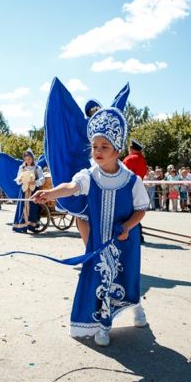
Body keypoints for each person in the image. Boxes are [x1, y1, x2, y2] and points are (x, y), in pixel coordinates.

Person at [33, 100, 149, 347]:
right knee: (101, 281)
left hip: (124, 241)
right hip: (98, 242)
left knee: (127, 277)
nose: (98, 151)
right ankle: (103, 325)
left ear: (117, 150)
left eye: (104, 146)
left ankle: (137, 307)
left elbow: (141, 209)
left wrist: (127, 227)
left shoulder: (132, 180)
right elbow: (71, 187)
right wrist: (50, 193)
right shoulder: (89, 175)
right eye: (95, 146)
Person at [12, 149, 44, 233]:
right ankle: (22, 226)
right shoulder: (22, 167)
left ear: (32, 158)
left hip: (34, 191)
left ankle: (31, 226)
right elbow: (18, 179)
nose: (28, 161)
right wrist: (20, 180)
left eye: (29, 159)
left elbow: (42, 179)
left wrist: (35, 182)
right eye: (26, 159)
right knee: (22, 207)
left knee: (33, 208)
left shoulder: (37, 168)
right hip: (24, 190)